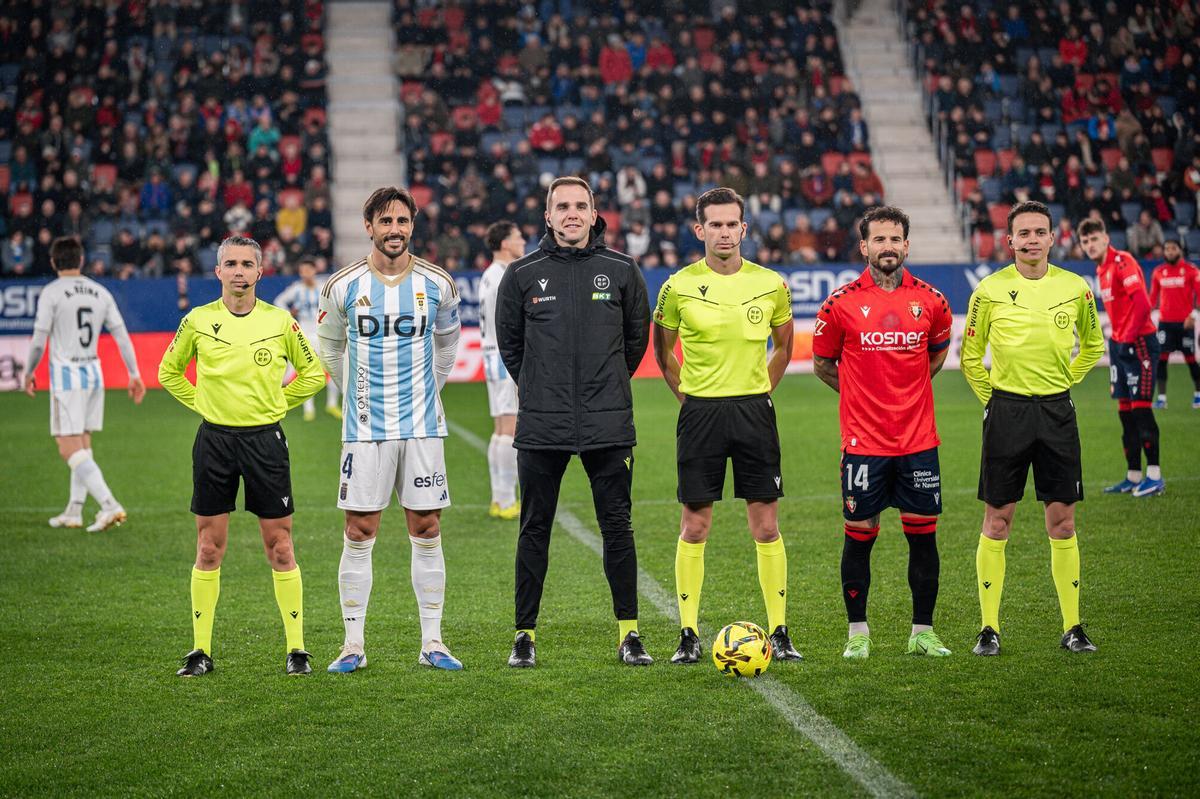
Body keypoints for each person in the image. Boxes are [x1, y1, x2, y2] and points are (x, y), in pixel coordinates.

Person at [495, 176, 651, 667]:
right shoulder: (521, 274)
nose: (571, 214)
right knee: (534, 528)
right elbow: (511, 347)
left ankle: (629, 634)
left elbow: (635, 342)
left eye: (580, 206)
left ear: (594, 212)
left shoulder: (622, 270)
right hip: (543, 422)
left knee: (618, 528)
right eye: (561, 206)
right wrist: (543, 386)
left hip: (608, 422)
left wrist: (605, 386)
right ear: (547, 215)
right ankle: (524, 636)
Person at [159, 235, 326, 677]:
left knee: (280, 546)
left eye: (246, 264)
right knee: (209, 548)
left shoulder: (280, 321)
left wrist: (276, 403)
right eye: (230, 263)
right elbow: (168, 372)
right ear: (217, 272)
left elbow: (314, 373)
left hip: (265, 441)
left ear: (259, 271)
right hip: (214, 441)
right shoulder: (196, 321)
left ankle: (297, 649)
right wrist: (203, 404)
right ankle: (199, 651)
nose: (238, 271)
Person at [651, 187, 803, 665]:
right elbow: (663, 353)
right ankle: (688, 633)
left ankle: (779, 632)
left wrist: (762, 390)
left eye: (730, 223)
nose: (723, 232)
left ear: (744, 228)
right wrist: (689, 398)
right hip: (701, 415)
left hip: (754, 412)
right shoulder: (676, 286)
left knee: (765, 525)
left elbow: (784, 346)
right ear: (699, 230)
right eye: (713, 224)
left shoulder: (771, 284)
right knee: (695, 526)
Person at [317, 187, 464, 674]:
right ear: (369, 226)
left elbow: (446, 349)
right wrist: (357, 397)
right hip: (365, 430)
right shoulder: (343, 286)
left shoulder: (438, 284)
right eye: (386, 221)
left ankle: (433, 642)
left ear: (412, 225)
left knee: (427, 529)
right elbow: (330, 349)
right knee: (359, 532)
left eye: (403, 220)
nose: (395, 229)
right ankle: (352, 645)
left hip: (422, 427)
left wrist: (428, 392)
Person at [962, 201, 1105, 656]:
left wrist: (1067, 380)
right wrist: (994, 401)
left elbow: (1093, 344)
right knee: (998, 520)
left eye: (1039, 232)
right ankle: (988, 628)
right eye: (1022, 234)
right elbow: (970, 355)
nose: (1031, 240)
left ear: (1052, 237)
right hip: (1007, 413)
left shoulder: (1075, 287)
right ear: (1010, 242)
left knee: (1062, 522)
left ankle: (1073, 627)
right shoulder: (988, 290)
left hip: (1057, 412)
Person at [812, 206, 954, 660]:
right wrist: (861, 394)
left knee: (923, 538)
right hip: (863, 445)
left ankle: (922, 632)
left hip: (918, 442)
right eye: (879, 240)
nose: (887, 247)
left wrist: (905, 395)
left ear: (906, 245)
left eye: (895, 239)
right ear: (864, 247)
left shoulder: (932, 301)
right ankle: (858, 634)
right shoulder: (840, 304)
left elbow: (937, 354)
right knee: (859, 534)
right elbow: (822, 363)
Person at [23, 236, 145, 532]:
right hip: (93, 373)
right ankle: (74, 510)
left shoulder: (52, 292)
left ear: (53, 262)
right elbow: (121, 335)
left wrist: (28, 371)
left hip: (67, 375)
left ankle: (109, 505)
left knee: (67, 447)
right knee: (83, 443)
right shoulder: (99, 291)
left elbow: (40, 339)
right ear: (80, 261)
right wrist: (134, 373)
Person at [1077, 218, 1165, 497]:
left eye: (1094, 239)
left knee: (1141, 409)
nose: (1090, 245)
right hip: (1120, 344)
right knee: (1125, 414)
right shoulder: (1101, 268)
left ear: (1105, 237)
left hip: (1138, 342)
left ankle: (1155, 476)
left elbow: (1142, 304)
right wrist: (1117, 341)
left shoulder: (1122, 261)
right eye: (1085, 241)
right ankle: (1133, 475)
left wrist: (1125, 338)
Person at [477, 220, 526, 520]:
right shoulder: (504, 276)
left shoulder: (489, 275)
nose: (523, 241)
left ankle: (499, 497)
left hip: (491, 355)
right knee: (510, 429)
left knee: (500, 430)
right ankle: (506, 500)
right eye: (519, 237)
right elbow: (511, 323)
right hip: (505, 357)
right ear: (505, 243)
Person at [274, 256, 341, 421]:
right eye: (302, 271)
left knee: (334, 369)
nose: (305, 274)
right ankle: (308, 409)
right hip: (304, 334)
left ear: (315, 270)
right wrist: (290, 315)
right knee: (306, 371)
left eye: (308, 270)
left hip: (324, 334)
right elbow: (279, 301)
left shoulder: (324, 286)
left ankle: (332, 404)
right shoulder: (296, 288)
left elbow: (338, 301)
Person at [1148, 238, 1200, 409]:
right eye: (1167, 249)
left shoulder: (1191, 270)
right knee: (1161, 360)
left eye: (1173, 248)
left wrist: (1193, 315)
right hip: (1165, 324)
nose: (1170, 251)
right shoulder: (1158, 272)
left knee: (1191, 360)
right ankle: (1162, 399)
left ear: (1180, 250)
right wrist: (1145, 315)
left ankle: (1198, 396)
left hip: (1185, 324)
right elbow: (1152, 298)